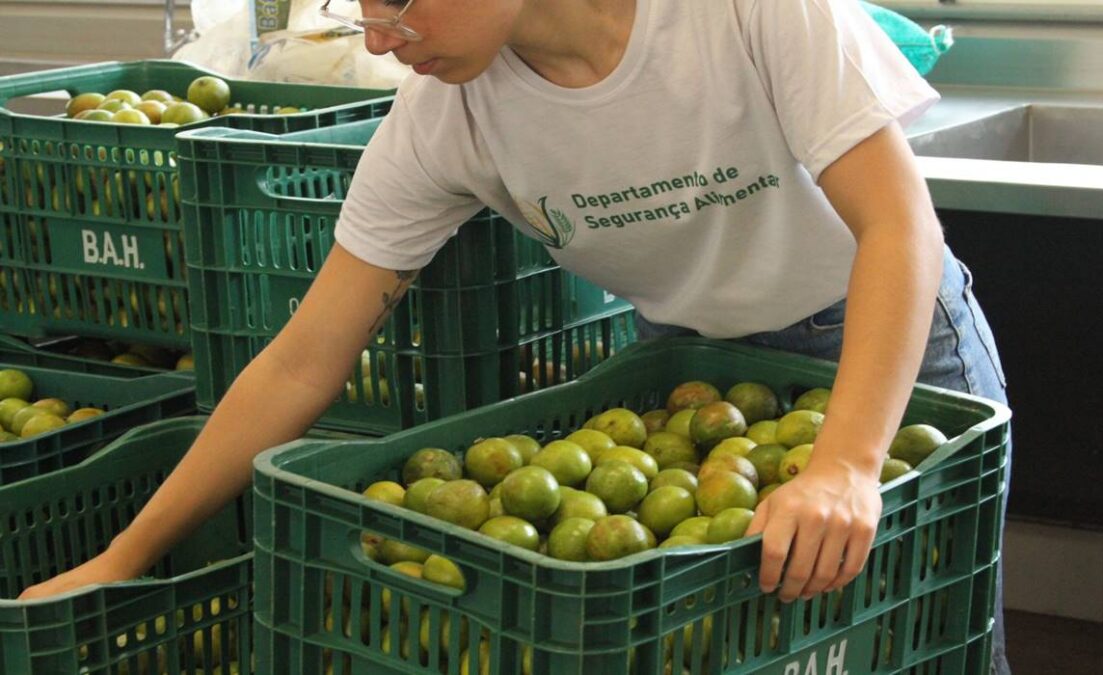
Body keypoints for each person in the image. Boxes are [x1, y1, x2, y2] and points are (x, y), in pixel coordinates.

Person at [20, 0, 1010, 672]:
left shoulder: (733, 13)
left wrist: (842, 463)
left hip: (884, 356)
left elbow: (897, 226)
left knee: (916, 638)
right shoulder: (443, 120)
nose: (379, 29)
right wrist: (127, 555)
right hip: (696, 385)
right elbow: (300, 359)